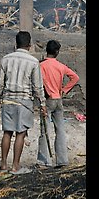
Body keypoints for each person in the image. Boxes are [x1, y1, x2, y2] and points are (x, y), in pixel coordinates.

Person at [0, 30, 46, 174]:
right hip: (24, 102)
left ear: (16, 44)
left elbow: (0, 83)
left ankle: (3, 164)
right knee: (21, 134)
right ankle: (15, 166)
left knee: (7, 133)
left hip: (8, 100)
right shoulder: (34, 62)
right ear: (29, 45)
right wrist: (42, 104)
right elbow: (37, 86)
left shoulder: (6, 59)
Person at [37, 39, 79, 168]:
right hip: (58, 100)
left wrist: (48, 93)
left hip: (48, 100)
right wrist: (64, 90)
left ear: (46, 51)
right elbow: (75, 77)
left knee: (45, 130)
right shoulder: (61, 66)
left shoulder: (41, 65)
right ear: (57, 52)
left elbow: (41, 81)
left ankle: (44, 161)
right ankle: (62, 160)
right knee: (60, 130)